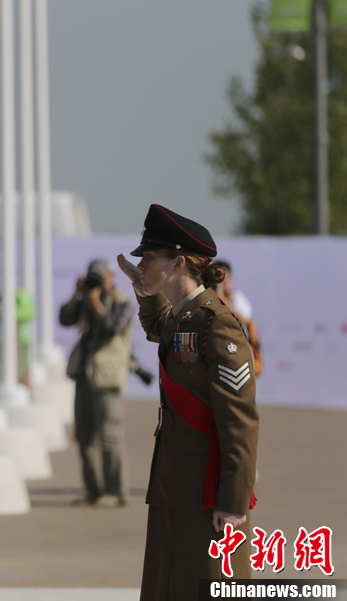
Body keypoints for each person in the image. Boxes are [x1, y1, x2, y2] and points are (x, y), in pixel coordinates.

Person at [117, 204, 258, 599]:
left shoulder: (217, 324)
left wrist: (233, 503)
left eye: (149, 257)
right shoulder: (186, 316)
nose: (141, 264)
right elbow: (160, 328)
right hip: (175, 485)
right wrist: (144, 291)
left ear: (178, 262)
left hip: (206, 493)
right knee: (168, 586)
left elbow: (240, 422)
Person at [59, 257, 133, 507]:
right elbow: (65, 319)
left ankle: (115, 492)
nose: (97, 283)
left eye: (101, 278)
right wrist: (77, 294)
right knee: (84, 437)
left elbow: (112, 328)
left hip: (107, 378)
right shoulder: (85, 299)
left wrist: (94, 302)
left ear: (111, 278)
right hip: (84, 375)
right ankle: (95, 491)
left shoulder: (122, 302)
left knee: (110, 436)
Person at [213, 260, 263, 378]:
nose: (220, 281)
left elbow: (244, 319)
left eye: (222, 276)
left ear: (230, 278)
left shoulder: (236, 297)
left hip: (238, 354)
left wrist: (220, 296)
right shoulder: (208, 297)